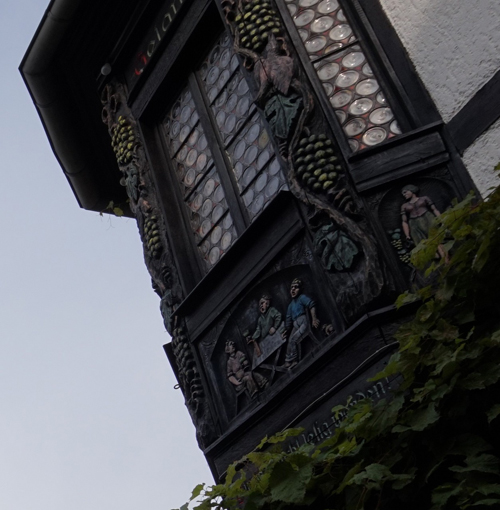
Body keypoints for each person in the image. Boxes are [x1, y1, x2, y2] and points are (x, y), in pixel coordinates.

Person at [401, 184, 448, 261]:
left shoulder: (424, 198)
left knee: (437, 240)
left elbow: (434, 209)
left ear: (412, 190)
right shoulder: (404, 205)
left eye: (405, 192)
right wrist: (407, 235)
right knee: (424, 244)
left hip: (428, 219)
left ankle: (446, 260)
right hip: (414, 224)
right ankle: (436, 260)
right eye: (403, 194)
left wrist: (442, 220)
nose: (404, 195)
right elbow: (404, 221)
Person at [282, 279, 320, 368]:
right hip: (295, 324)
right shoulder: (290, 306)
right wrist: (285, 331)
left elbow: (311, 304)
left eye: (296, 287)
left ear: (300, 289)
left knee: (294, 339)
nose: (293, 289)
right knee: (289, 341)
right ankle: (288, 361)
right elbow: (288, 322)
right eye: (292, 287)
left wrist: (314, 318)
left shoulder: (302, 298)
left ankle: (295, 360)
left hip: (303, 321)